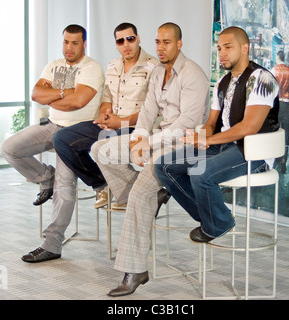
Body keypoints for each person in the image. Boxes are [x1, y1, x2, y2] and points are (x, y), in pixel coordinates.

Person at [91, 22, 209, 297]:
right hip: (157, 138)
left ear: (179, 43)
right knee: (101, 150)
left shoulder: (193, 75)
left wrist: (148, 142)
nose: (160, 47)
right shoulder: (158, 72)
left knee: (139, 195)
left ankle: (135, 270)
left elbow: (186, 123)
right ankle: (148, 195)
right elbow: (147, 110)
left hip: (184, 145)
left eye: (166, 42)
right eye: (157, 42)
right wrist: (138, 139)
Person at [155, 26, 279, 244]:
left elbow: (249, 127)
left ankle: (219, 223)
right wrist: (200, 136)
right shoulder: (223, 82)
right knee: (164, 165)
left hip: (252, 152)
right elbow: (212, 123)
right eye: (219, 48)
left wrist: (208, 140)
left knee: (200, 174)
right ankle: (212, 216)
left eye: (228, 47)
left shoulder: (262, 79)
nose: (221, 53)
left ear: (244, 48)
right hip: (223, 147)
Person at [0, 24, 104, 263]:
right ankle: (46, 177)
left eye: (75, 43)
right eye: (66, 42)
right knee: (9, 148)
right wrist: (63, 92)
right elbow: (36, 95)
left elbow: (78, 102)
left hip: (76, 132)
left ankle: (52, 244)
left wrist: (56, 94)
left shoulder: (91, 68)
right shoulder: (53, 65)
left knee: (65, 189)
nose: (69, 47)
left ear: (84, 44)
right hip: (52, 125)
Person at [53, 23, 158, 210]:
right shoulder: (113, 65)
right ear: (116, 44)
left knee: (100, 147)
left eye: (130, 39)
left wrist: (121, 122)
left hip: (135, 127)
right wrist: (104, 115)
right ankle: (102, 185)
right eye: (120, 40)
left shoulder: (154, 67)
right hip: (111, 124)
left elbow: (154, 109)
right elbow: (107, 97)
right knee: (62, 138)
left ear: (138, 38)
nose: (126, 44)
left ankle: (133, 192)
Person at [271, 50, 289, 173]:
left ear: (278, 57)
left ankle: (275, 158)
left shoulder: (274, 70)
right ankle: (284, 159)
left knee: (275, 130)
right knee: (286, 132)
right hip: (286, 103)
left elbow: (272, 89)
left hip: (277, 103)